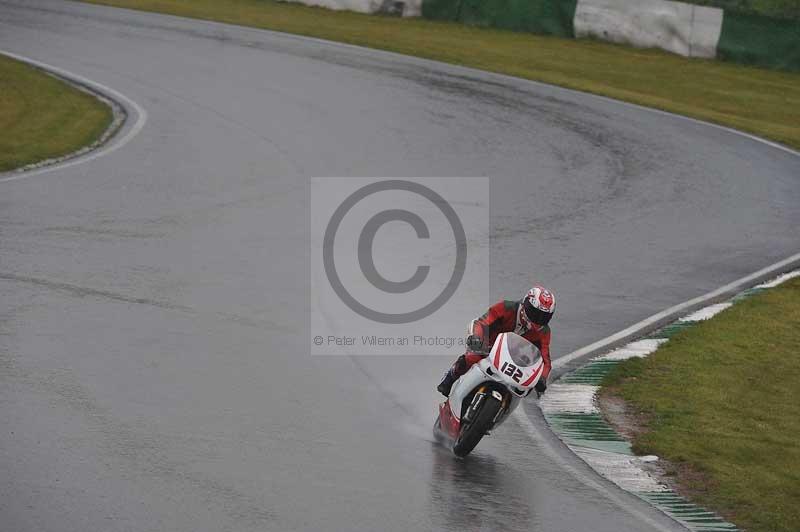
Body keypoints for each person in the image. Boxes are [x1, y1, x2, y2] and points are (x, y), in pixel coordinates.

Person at [437, 285, 555, 398]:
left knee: (524, 388)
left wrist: (542, 378)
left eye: (543, 317)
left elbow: (545, 360)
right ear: (526, 304)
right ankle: (449, 378)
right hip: (487, 346)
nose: (538, 319)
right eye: (535, 313)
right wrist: (476, 338)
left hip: (514, 362)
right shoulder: (506, 307)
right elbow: (482, 323)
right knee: (472, 358)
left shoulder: (543, 331)